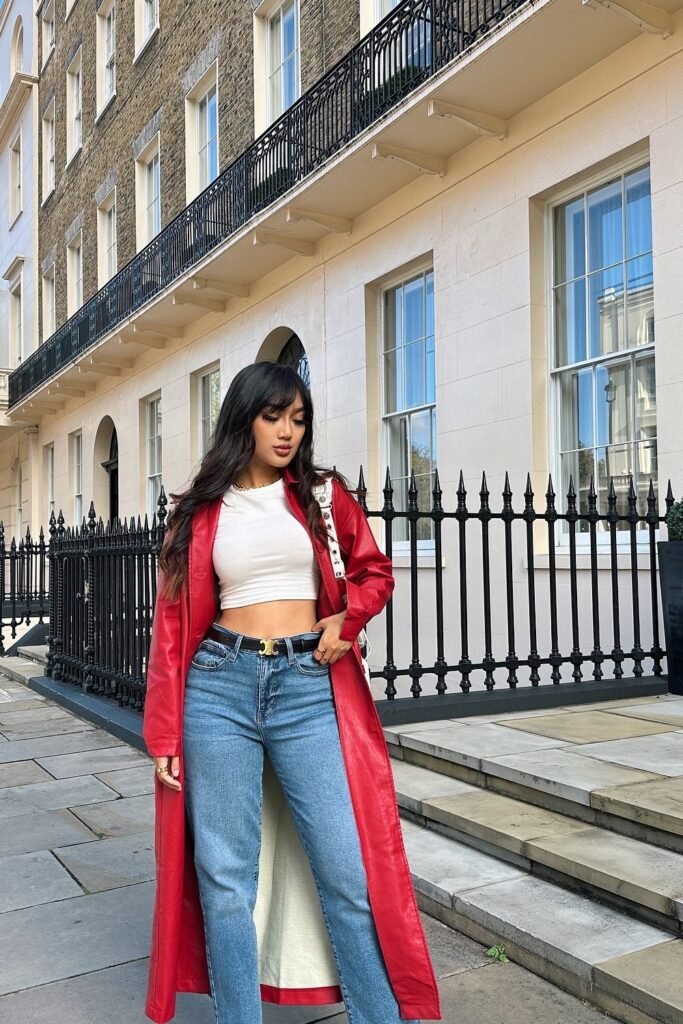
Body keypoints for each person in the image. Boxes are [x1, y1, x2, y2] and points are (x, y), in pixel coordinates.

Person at [142, 361, 441, 1024]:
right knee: (225, 884)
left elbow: (374, 574)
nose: (287, 431)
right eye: (273, 416)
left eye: (298, 419)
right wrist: (162, 732)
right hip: (219, 687)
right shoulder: (199, 511)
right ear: (242, 418)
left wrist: (347, 617)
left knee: (346, 873)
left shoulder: (321, 496)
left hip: (308, 686)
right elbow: (170, 628)